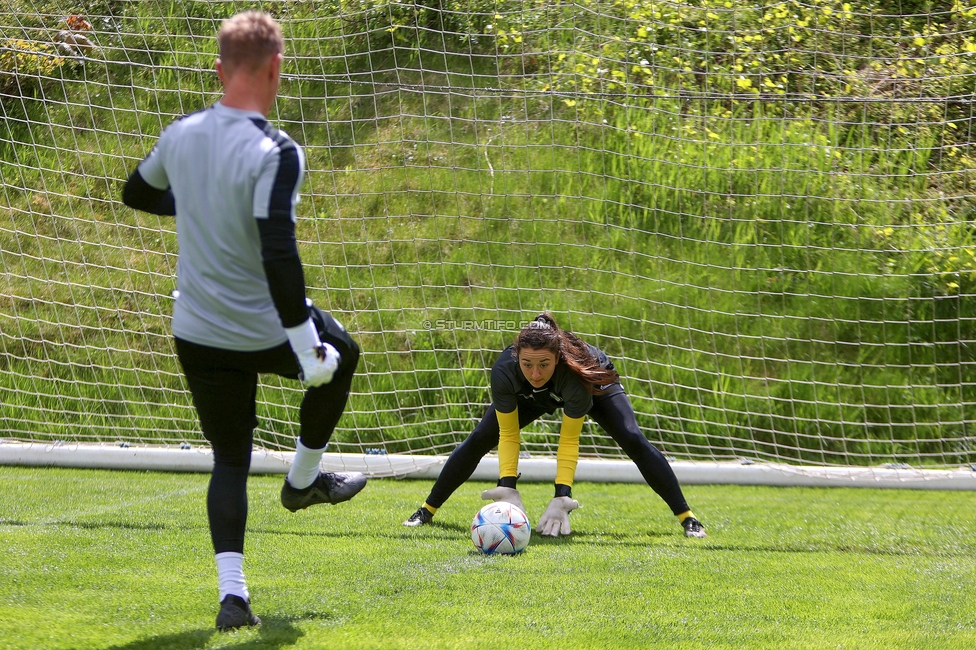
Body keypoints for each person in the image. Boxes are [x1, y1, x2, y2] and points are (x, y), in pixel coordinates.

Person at [121, 10, 366, 631]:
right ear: (277, 68)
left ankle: (234, 599)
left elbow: (136, 194)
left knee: (229, 459)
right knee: (344, 356)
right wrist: (307, 348)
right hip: (263, 330)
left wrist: (196, 202)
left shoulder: (181, 134)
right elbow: (278, 253)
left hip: (197, 333)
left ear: (219, 68)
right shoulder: (277, 150)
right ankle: (303, 482)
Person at [403, 313, 706, 539]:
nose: (535, 372)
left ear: (557, 358)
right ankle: (426, 511)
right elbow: (508, 433)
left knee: (632, 437)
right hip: (533, 398)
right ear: (516, 358)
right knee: (483, 435)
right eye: (527, 364)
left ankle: (687, 517)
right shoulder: (505, 373)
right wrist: (507, 486)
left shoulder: (575, 375)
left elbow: (569, 440)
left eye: (543, 364)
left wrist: (562, 495)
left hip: (589, 383)